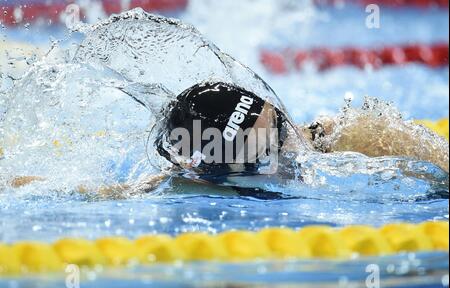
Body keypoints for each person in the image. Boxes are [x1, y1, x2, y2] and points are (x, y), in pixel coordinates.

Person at [4, 81, 449, 198]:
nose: (289, 154)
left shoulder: (352, 137)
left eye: (281, 133)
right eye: (271, 152)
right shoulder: (191, 181)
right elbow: (99, 193)